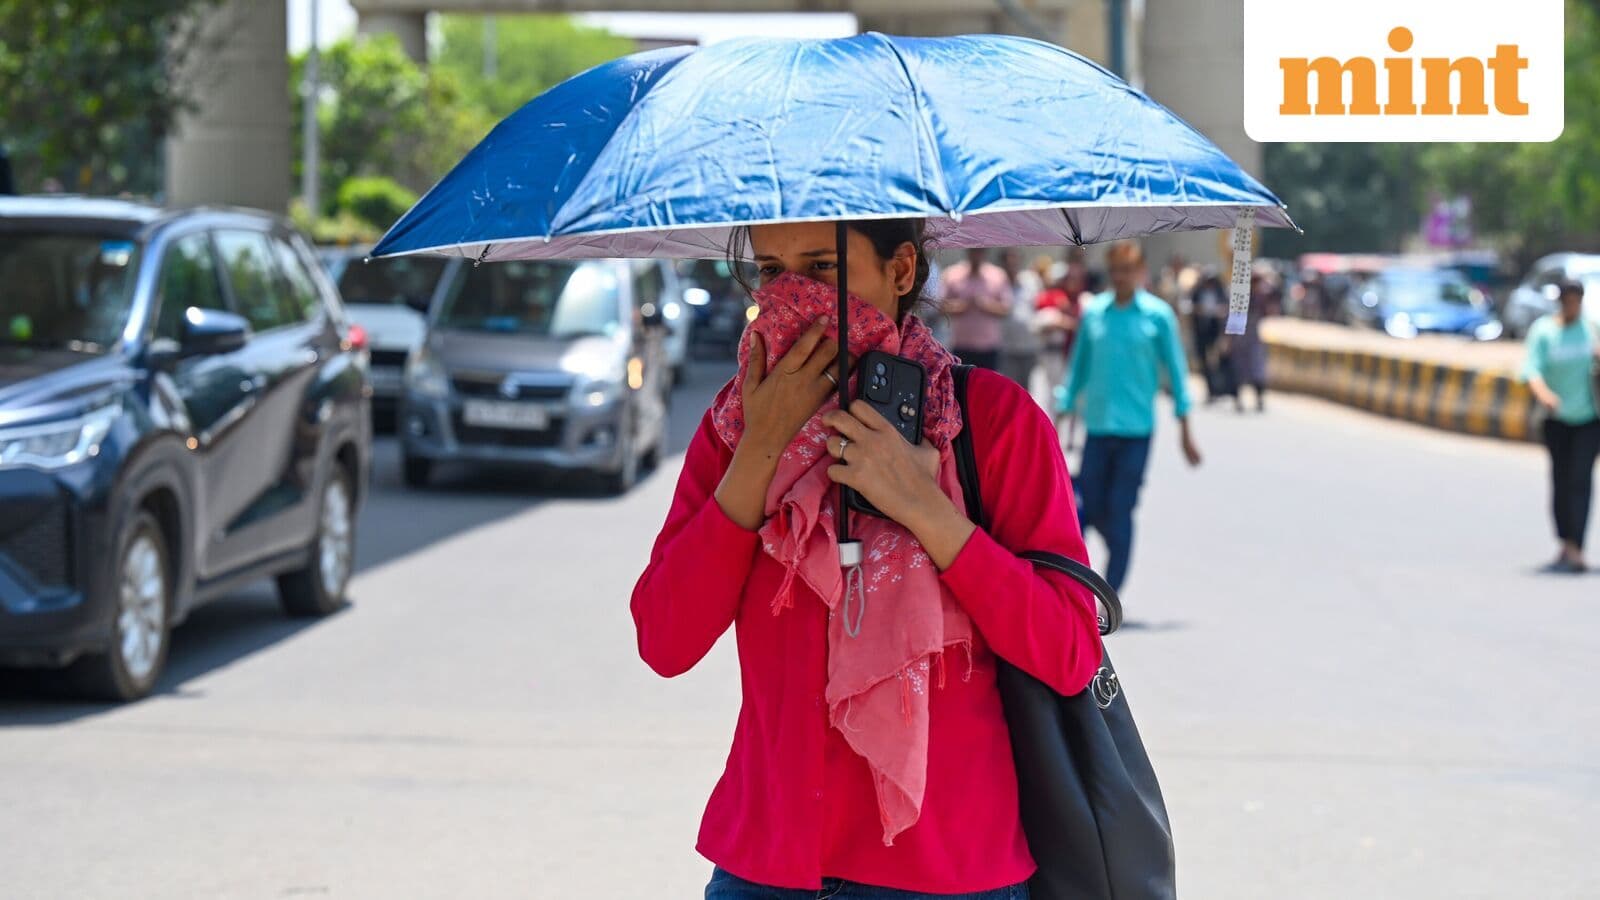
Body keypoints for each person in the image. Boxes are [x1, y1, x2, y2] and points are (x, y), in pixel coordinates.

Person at [632, 218, 1103, 900]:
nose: (793, 295)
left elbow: (1068, 652)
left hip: (950, 870)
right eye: (771, 273)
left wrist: (927, 509)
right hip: (769, 863)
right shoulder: (732, 429)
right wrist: (762, 449)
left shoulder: (991, 423)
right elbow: (664, 639)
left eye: (823, 269)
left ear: (903, 271)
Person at [1057, 240, 1202, 593]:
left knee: (1119, 510)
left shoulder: (1157, 316)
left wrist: (1186, 430)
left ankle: (1109, 595)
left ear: (1139, 273)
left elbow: (1177, 373)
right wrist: (1061, 411)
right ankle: (1074, 585)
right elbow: (1079, 367)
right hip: (1098, 426)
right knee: (1086, 508)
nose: (1121, 277)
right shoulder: (1095, 313)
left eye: (1127, 271)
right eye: (1115, 271)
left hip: (1136, 430)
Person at [1522, 279, 1600, 573]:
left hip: (1590, 418)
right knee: (1561, 481)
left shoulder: (1591, 329)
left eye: (1576, 301)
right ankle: (1565, 542)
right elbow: (1532, 369)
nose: (1572, 307)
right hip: (1556, 420)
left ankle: (1577, 547)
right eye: (1567, 301)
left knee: (1581, 480)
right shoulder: (1544, 331)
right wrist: (1545, 396)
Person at [938, 247, 1012, 371]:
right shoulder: (952, 274)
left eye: (980, 251)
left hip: (988, 347)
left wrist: (985, 305)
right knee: (961, 388)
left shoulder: (998, 275)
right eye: (974, 251)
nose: (976, 254)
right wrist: (963, 306)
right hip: (961, 345)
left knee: (989, 387)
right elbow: (940, 307)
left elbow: (1006, 309)